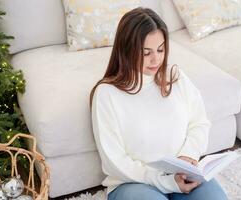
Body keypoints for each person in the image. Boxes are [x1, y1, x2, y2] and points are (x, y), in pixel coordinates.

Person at [90, 7, 228, 200]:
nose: (156, 59)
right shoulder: (107, 94)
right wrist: (165, 182)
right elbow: (115, 161)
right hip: (133, 183)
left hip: (182, 175)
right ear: (126, 50)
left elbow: (199, 122)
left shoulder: (175, 76)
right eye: (146, 53)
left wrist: (188, 156)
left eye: (160, 49)